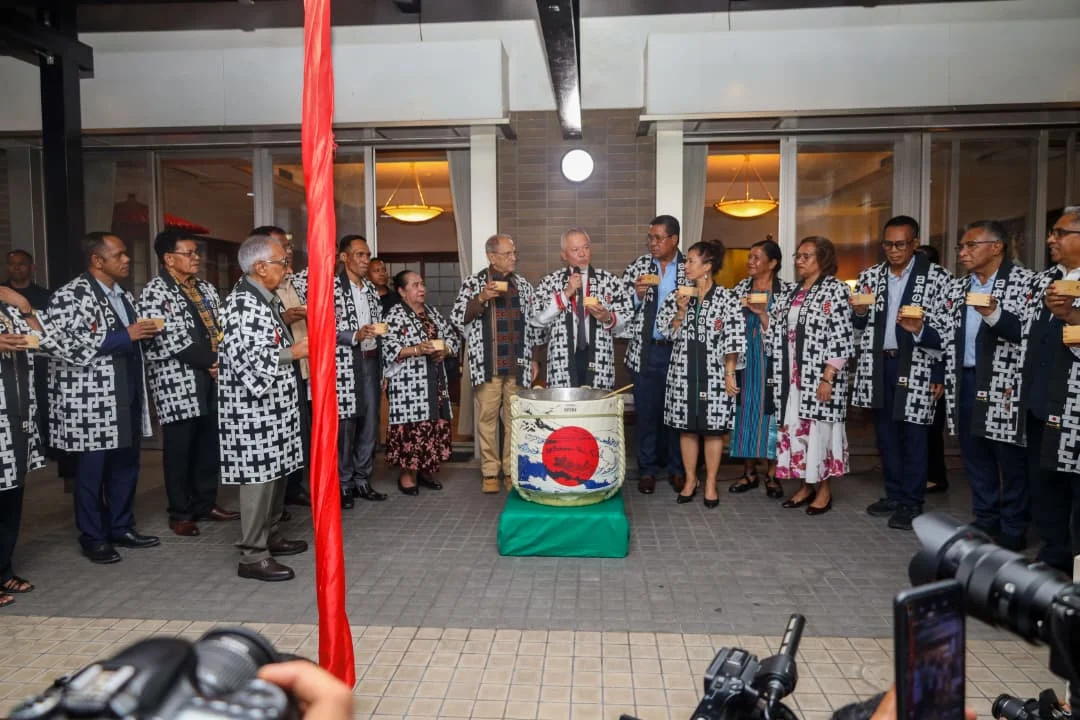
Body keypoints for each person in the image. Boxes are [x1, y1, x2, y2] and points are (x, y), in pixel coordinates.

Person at [45, 232, 161, 564]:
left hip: (127, 394)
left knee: (126, 467)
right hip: (91, 402)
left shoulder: (123, 295)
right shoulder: (70, 295)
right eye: (120, 254)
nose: (127, 259)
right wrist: (124, 335)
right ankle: (93, 536)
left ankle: (122, 527)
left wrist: (145, 333)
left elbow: (132, 339)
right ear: (98, 260)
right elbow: (59, 344)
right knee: (91, 474)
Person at [851, 216, 952, 531]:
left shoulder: (937, 278)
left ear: (915, 243)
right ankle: (894, 494)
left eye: (900, 244)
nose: (893, 250)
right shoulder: (869, 277)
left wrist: (939, 372)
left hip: (919, 363)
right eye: (888, 244)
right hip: (880, 363)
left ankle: (912, 501)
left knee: (915, 435)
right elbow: (857, 327)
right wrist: (858, 313)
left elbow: (948, 329)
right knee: (886, 434)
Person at [219, 234, 309, 582]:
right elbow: (248, 360)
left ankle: (269, 535)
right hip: (252, 410)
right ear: (259, 267)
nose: (287, 269)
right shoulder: (243, 304)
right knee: (258, 480)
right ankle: (252, 555)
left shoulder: (264, 300)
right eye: (281, 263)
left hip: (274, 405)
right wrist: (295, 353)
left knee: (277, 473)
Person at [139, 230, 239, 537]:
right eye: (189, 253)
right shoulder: (155, 292)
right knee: (180, 449)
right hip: (177, 381)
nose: (196, 258)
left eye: (196, 252)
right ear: (169, 258)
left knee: (208, 444)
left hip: (210, 376)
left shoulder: (205, 288)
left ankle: (205, 502)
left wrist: (219, 358)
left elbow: (223, 326)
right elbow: (172, 341)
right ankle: (180, 512)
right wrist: (214, 361)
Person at [940, 220, 1032, 551]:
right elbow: (944, 333)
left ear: (997, 247)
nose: (963, 252)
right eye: (960, 247)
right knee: (974, 452)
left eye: (970, 246)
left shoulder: (1025, 283)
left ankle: (1014, 525)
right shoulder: (957, 287)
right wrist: (919, 329)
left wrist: (994, 313)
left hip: (1006, 382)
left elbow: (1027, 332)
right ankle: (985, 517)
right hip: (965, 378)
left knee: (1008, 456)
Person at [297, 235, 388, 508]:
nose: (365, 260)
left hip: (371, 360)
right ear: (344, 257)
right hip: (344, 363)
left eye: (367, 255)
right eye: (359, 255)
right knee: (346, 426)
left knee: (370, 423)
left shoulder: (371, 290)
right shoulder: (330, 288)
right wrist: (354, 335)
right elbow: (321, 327)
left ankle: (363, 479)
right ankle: (343, 484)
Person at [768, 236, 855, 516]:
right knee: (796, 431)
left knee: (819, 432)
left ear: (823, 260)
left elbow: (842, 337)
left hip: (819, 377)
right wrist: (760, 315)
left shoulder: (835, 290)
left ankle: (824, 490)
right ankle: (806, 486)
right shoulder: (790, 292)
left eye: (807, 256)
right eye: (798, 255)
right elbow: (775, 332)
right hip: (791, 378)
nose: (799, 260)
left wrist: (828, 377)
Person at [656, 240, 745, 507]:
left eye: (691, 261)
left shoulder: (727, 298)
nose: (686, 265)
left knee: (713, 430)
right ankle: (690, 479)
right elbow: (665, 331)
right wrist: (680, 311)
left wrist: (730, 374)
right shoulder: (678, 294)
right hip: (683, 372)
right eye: (686, 261)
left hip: (715, 374)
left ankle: (711, 482)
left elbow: (734, 339)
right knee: (687, 429)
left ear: (707, 266)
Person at [451, 233, 538, 494]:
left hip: (517, 362)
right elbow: (457, 317)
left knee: (515, 420)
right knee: (487, 419)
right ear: (492, 256)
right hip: (487, 364)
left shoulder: (522, 284)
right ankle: (490, 471)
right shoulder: (474, 282)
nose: (514, 258)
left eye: (514, 253)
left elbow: (532, 324)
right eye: (508, 253)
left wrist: (533, 358)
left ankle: (511, 470)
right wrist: (480, 299)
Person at [1020, 207, 1080, 576]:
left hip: (1076, 405)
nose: (1050, 240)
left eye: (1059, 233)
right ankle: (1054, 553)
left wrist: (1073, 317)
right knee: (1046, 483)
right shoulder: (1046, 281)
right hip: (1043, 401)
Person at [622, 215, 688, 495]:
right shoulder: (638, 266)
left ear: (674, 239)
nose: (652, 243)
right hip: (645, 351)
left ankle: (677, 469)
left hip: (678, 352)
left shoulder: (689, 268)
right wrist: (636, 295)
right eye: (650, 237)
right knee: (646, 414)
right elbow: (620, 306)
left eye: (658, 238)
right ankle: (647, 470)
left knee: (676, 415)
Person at [382, 270, 461, 495]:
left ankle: (426, 470)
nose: (422, 289)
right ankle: (407, 474)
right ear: (401, 291)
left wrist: (445, 350)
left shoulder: (432, 312)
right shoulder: (394, 315)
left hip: (435, 380)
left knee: (432, 424)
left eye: (422, 284)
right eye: (415, 285)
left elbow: (451, 338)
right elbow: (388, 348)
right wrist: (417, 349)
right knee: (412, 427)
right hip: (408, 385)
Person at [252, 225, 311, 509]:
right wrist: (285, 321)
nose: (286, 257)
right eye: (280, 251)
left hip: (297, 369)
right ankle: (264, 529)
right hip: (269, 380)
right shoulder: (248, 300)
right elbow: (254, 354)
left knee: (296, 434)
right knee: (271, 448)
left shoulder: (290, 284)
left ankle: (290, 493)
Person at [530, 228, 633, 389]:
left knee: (596, 409)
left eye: (586, 247)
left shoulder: (609, 280)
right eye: (575, 249)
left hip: (599, 356)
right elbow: (538, 319)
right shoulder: (550, 282)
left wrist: (608, 317)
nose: (582, 253)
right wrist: (566, 293)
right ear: (563, 255)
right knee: (565, 409)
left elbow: (627, 321)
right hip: (562, 357)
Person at [728, 239, 787, 499]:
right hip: (745, 360)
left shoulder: (786, 292)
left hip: (773, 362)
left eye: (756, 257)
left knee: (773, 414)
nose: (750, 261)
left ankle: (773, 474)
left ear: (772, 264)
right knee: (745, 412)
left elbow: (788, 333)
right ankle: (749, 472)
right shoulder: (739, 289)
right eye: (749, 257)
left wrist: (763, 315)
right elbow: (728, 327)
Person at [0, 286, 46, 606]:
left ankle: (3, 571)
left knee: (11, 497)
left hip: (16, 416)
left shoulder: (10, 305)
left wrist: (26, 308)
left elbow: (46, 342)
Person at [914, 244, 949, 494]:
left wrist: (939, 373)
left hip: (935, 371)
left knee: (932, 429)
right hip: (916, 372)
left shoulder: (941, 287)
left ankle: (936, 477)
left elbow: (944, 337)